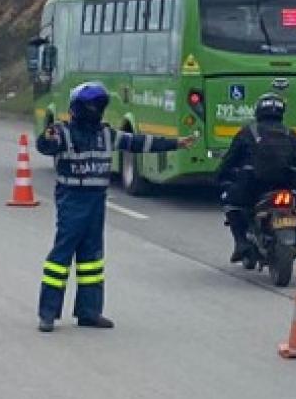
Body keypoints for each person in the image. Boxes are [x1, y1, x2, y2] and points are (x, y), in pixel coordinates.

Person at [34, 81, 195, 333]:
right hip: (72, 201)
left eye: (99, 106)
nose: (97, 111)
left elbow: (140, 142)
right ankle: (47, 314)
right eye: (94, 106)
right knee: (60, 258)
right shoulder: (63, 132)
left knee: (92, 260)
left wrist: (176, 144)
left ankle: (89, 312)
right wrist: (47, 136)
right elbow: (44, 146)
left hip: (96, 202)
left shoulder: (106, 135)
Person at [216, 92, 296, 263]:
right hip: (286, 185)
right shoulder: (291, 133)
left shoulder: (248, 132)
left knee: (229, 202)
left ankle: (241, 243)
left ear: (258, 111)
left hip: (254, 184)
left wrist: (221, 176)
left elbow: (230, 159)